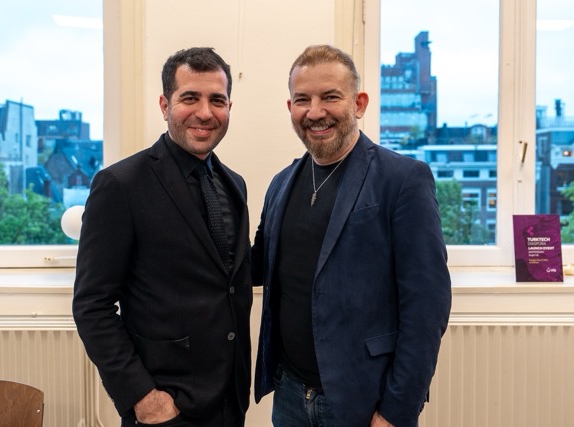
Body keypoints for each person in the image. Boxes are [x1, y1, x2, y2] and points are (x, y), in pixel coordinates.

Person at [252, 45, 452, 427]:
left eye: (330, 97)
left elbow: (427, 308)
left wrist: (396, 410)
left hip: (363, 400)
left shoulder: (402, 180)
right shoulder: (280, 184)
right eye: (302, 100)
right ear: (290, 107)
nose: (315, 112)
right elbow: (257, 266)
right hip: (289, 395)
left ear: (359, 103)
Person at [73, 47, 252, 427]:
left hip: (230, 399)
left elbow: (230, 279)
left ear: (229, 107)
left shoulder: (233, 184)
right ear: (165, 105)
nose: (205, 112)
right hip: (164, 407)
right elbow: (92, 305)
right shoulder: (120, 185)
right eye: (190, 98)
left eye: (216, 100)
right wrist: (143, 398)